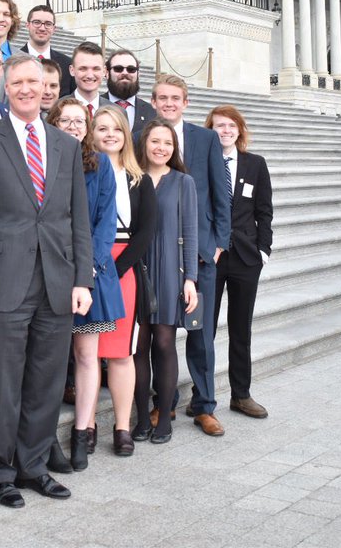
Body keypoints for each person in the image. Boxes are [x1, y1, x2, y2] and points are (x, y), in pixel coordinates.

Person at [0, 55, 93, 509]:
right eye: (16, 82)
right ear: (5, 86)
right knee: (2, 382)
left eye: (32, 82)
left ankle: (34, 466)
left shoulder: (66, 145)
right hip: (4, 281)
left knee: (46, 380)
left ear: (45, 88)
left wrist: (82, 279)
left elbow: (78, 218)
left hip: (57, 280)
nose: (24, 89)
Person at [149, 74, 230, 437]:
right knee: (160, 335)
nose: (169, 103)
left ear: (185, 102)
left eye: (175, 98)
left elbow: (220, 192)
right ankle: (162, 402)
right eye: (162, 98)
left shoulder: (206, 138)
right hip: (160, 257)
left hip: (200, 254)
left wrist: (218, 243)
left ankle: (204, 405)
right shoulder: (144, 137)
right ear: (154, 102)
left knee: (201, 335)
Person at [46, 99, 121, 467]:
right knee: (48, 358)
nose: (74, 126)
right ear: (53, 123)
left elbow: (106, 222)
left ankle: (83, 431)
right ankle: (44, 438)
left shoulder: (101, 164)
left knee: (87, 356)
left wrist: (88, 267)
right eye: (66, 120)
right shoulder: (42, 161)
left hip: (89, 273)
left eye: (80, 121)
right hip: (48, 271)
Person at [91, 107, 156, 448]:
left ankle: (121, 427)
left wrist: (115, 272)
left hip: (123, 269)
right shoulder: (82, 172)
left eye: (116, 128)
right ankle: (86, 426)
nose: (110, 134)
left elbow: (146, 232)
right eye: (102, 128)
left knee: (120, 353)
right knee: (87, 354)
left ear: (126, 135)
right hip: (89, 265)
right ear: (92, 133)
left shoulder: (139, 179)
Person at [206, 105, 274, 419]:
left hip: (246, 257)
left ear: (239, 130)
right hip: (212, 257)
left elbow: (264, 210)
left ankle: (241, 395)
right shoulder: (202, 163)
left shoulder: (255, 164)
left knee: (240, 328)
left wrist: (263, 250)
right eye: (219, 125)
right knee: (205, 329)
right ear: (210, 130)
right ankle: (202, 396)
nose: (226, 130)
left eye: (231, 126)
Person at [134, 118, 199, 445]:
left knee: (163, 342)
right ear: (144, 143)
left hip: (170, 270)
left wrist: (191, 279)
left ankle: (163, 416)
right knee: (138, 346)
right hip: (136, 268)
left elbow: (190, 232)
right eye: (155, 141)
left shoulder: (183, 182)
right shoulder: (132, 177)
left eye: (168, 143)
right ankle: (141, 418)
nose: (161, 148)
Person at [20, 4, 74, 96]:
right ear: (27, 25)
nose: (42, 28)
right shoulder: (13, 61)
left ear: (54, 29)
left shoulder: (67, 64)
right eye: (37, 22)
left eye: (48, 24)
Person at [101, 49, 156, 135]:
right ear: (107, 73)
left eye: (131, 69)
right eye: (118, 69)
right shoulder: (94, 107)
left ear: (138, 74)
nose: (125, 73)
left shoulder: (152, 112)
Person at [68, 42, 106, 119]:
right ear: (72, 70)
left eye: (96, 69)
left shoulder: (118, 111)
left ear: (104, 71)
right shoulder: (57, 109)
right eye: (83, 69)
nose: (90, 75)